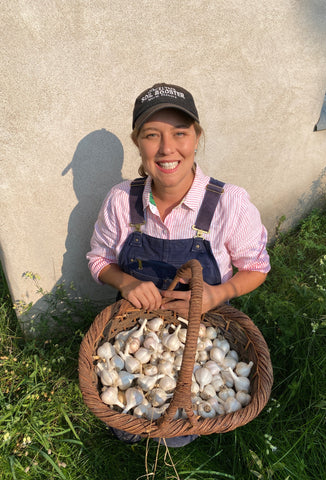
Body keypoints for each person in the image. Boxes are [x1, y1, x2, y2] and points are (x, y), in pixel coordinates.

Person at [86, 82, 270, 447]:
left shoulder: (229, 202)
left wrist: (218, 295)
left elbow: (257, 267)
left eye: (180, 133)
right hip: (137, 331)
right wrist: (125, 283)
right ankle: (134, 420)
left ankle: (171, 428)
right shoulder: (122, 200)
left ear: (197, 138)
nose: (167, 149)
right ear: (137, 143)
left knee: (177, 439)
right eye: (152, 135)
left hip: (204, 331)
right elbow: (99, 259)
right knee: (125, 416)